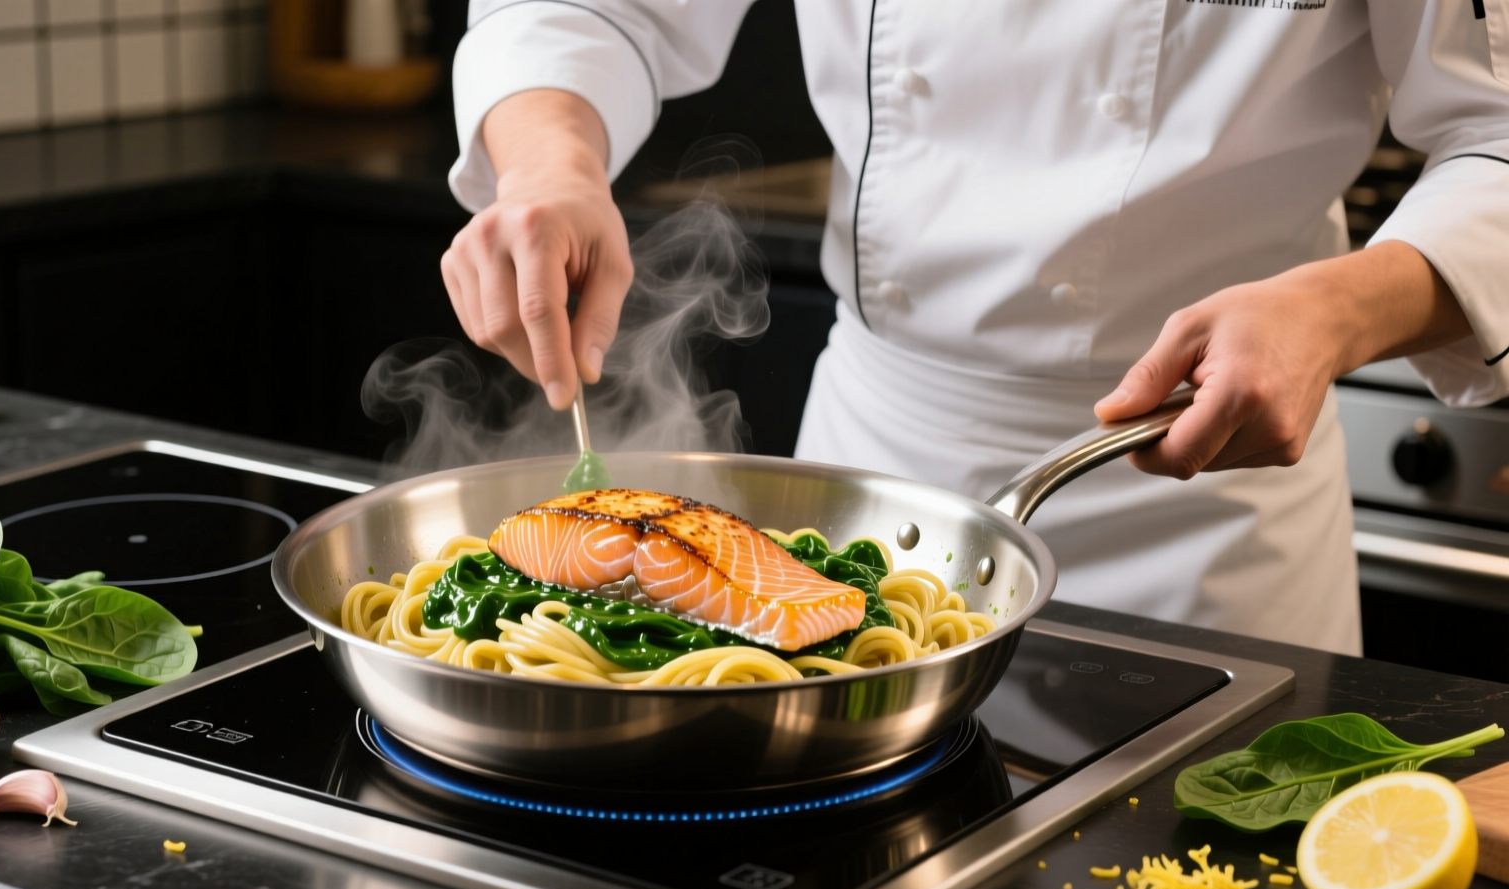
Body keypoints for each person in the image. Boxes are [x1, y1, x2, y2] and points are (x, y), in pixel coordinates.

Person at [437, 0, 1509, 654]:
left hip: (1209, 501)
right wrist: (548, 165)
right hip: (880, 475)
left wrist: (1329, 308)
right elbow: (593, 7)